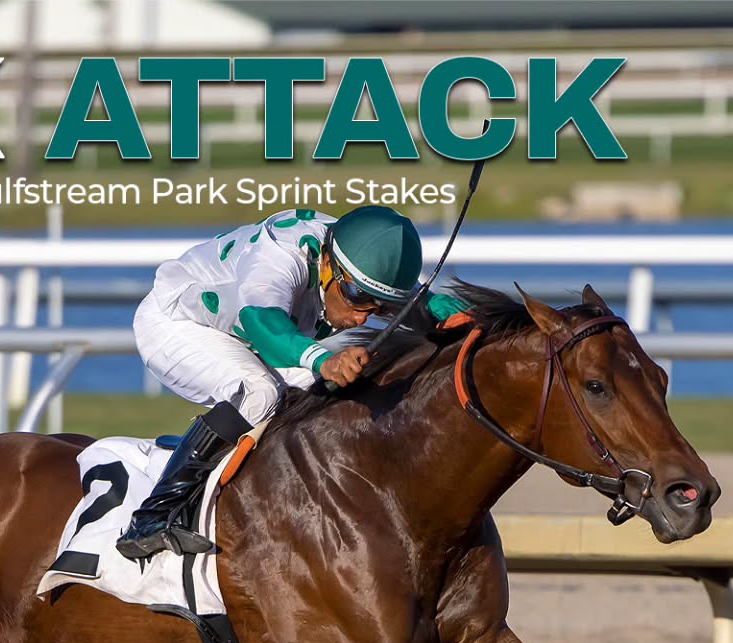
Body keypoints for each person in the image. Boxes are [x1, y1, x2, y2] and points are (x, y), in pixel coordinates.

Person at [116, 205, 469, 560]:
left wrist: (461, 315)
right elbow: (261, 322)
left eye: (379, 307)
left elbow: (425, 302)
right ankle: (153, 516)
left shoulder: (356, 263)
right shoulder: (280, 257)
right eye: (357, 298)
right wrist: (324, 359)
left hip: (239, 334)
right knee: (259, 392)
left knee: (326, 397)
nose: (362, 316)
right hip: (176, 323)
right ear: (328, 264)